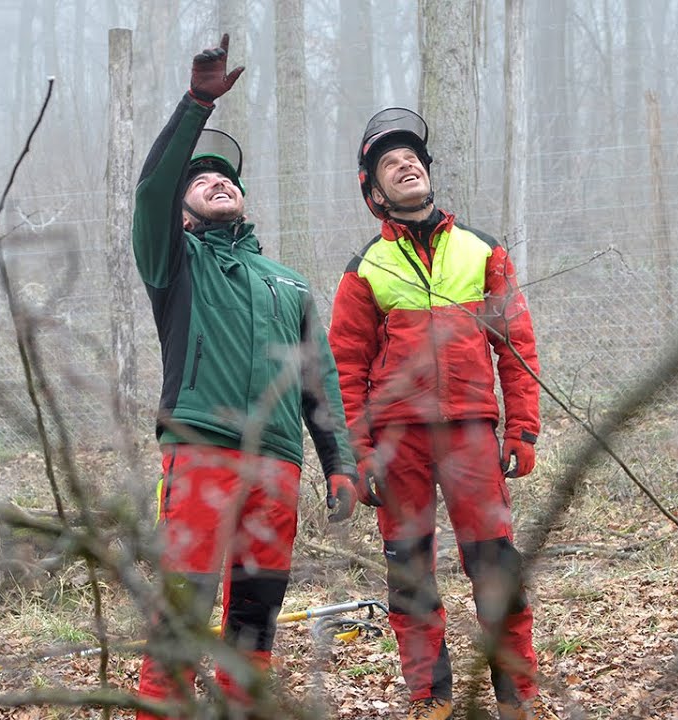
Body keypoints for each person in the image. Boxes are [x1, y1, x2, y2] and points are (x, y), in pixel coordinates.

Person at [131, 34, 360, 720]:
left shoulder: (287, 283)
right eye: (200, 180)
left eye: (226, 177)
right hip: (202, 450)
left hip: (279, 470)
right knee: (186, 608)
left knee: (256, 619)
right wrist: (197, 102)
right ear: (181, 209)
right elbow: (151, 187)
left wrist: (339, 463)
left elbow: (320, 380)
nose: (217, 181)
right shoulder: (173, 262)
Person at [328, 107, 558, 720]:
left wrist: (523, 427)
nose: (406, 165)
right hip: (396, 441)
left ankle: (516, 694)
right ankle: (432, 697)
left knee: (495, 561)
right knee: (410, 570)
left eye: (413, 159)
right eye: (389, 163)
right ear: (374, 192)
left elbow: (517, 347)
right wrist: (360, 452)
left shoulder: (483, 250)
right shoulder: (363, 270)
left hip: (472, 434)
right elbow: (344, 369)